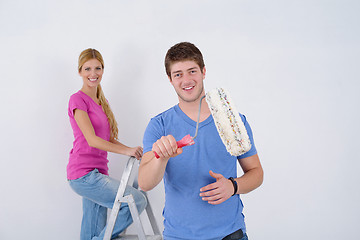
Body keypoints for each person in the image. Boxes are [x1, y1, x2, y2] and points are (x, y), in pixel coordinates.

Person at [138, 42, 263, 240]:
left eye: (192, 71)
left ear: (204, 72)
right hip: (179, 236)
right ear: (170, 79)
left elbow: (256, 173)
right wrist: (161, 158)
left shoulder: (234, 121)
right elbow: (144, 183)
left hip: (230, 234)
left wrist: (233, 186)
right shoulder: (159, 125)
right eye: (178, 74)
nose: (186, 80)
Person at [67, 48, 147, 240]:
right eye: (87, 69)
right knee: (136, 201)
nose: (93, 74)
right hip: (84, 175)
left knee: (91, 232)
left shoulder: (101, 101)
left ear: (103, 70)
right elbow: (92, 140)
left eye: (98, 68)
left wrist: (130, 150)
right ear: (80, 71)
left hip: (98, 172)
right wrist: (126, 150)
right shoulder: (77, 100)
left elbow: (107, 138)